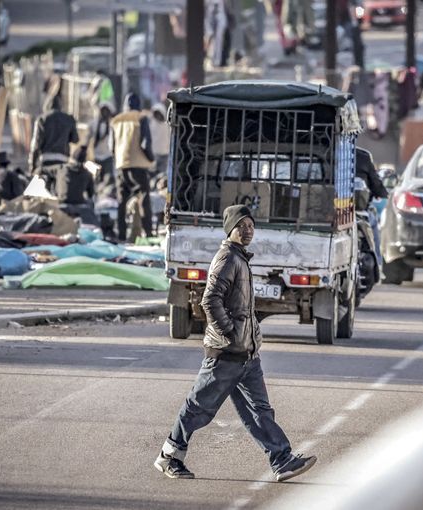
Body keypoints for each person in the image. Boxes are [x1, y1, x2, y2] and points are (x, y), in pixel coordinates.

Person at [155, 205, 317, 482]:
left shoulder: (240, 259)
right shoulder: (227, 258)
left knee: (260, 411)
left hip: (247, 355)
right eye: (241, 226)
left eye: (251, 226)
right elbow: (210, 299)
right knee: (199, 408)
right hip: (227, 353)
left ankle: (282, 460)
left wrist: (249, 334)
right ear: (229, 229)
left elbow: (238, 305)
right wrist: (230, 334)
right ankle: (169, 456)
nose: (247, 230)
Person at [110, 93, 154, 241]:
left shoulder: (116, 121)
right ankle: (148, 233)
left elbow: (112, 146)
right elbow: (145, 143)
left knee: (122, 201)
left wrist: (119, 159)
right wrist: (151, 159)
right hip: (139, 165)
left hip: (122, 165)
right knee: (144, 199)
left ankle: (121, 234)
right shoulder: (141, 118)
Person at [29, 91, 79, 193]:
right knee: (59, 188)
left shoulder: (41, 119)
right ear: (60, 106)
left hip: (46, 160)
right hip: (63, 160)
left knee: (46, 190)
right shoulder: (69, 119)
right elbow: (75, 139)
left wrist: (32, 166)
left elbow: (35, 146)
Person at [56, 145, 98, 225]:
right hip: (79, 205)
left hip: (62, 203)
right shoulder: (86, 173)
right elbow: (91, 194)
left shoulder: (62, 169)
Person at [88, 102, 115, 186]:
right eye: (103, 110)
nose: (105, 113)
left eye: (107, 111)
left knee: (108, 180)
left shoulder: (112, 125)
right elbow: (88, 139)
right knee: (96, 180)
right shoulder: (93, 124)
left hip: (108, 156)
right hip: (96, 156)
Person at [149, 104, 170, 177]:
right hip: (154, 154)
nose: (158, 116)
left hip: (164, 154)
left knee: (161, 176)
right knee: (153, 175)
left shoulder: (167, 125)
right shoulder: (151, 124)